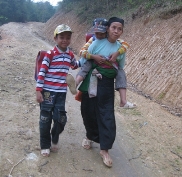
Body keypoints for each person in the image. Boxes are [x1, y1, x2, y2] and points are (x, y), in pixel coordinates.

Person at [79, 17, 126, 167]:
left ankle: (104, 149)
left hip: (106, 85)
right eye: (114, 27)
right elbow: (85, 62)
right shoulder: (96, 43)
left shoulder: (121, 49)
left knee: (107, 115)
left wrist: (122, 94)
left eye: (119, 29)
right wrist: (79, 78)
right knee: (88, 111)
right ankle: (89, 136)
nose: (116, 31)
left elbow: (120, 70)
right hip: (92, 81)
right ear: (107, 28)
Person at [68, 18, 136, 108]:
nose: (99, 36)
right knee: (86, 66)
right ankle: (75, 83)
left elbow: (126, 45)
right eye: (97, 33)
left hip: (109, 67)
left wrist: (117, 53)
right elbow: (82, 52)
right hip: (91, 60)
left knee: (121, 74)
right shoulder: (93, 40)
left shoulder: (118, 42)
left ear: (106, 31)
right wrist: (93, 57)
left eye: (102, 33)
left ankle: (123, 100)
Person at [36, 24, 77, 157]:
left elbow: (75, 65)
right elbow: (42, 72)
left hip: (61, 93)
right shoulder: (50, 54)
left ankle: (55, 136)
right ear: (55, 38)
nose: (65, 40)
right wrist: (38, 90)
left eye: (68, 37)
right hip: (47, 91)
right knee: (45, 119)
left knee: (61, 118)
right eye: (62, 37)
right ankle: (45, 145)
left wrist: (89, 57)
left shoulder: (70, 54)